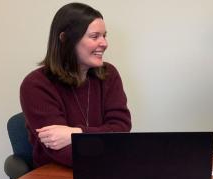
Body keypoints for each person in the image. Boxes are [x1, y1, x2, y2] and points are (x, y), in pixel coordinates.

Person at [20, 3, 131, 167]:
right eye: (95, 36)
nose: (104, 43)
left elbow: (122, 129)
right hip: (55, 175)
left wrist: (76, 132)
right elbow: (59, 149)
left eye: (104, 36)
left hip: (104, 169)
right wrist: (109, 144)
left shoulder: (109, 74)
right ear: (65, 39)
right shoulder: (36, 84)